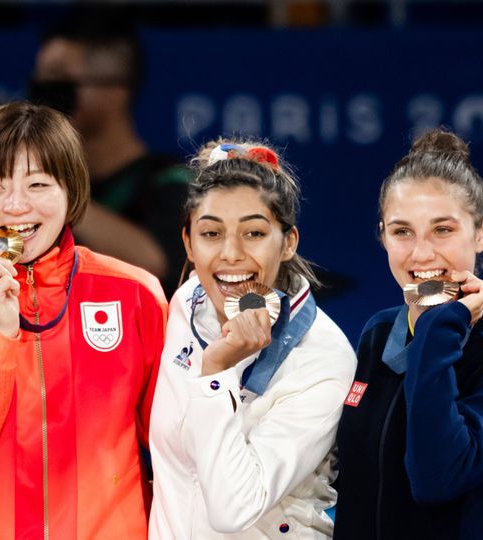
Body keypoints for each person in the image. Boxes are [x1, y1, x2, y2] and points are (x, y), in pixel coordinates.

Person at [0, 101, 167, 539]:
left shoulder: (134, 294)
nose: (16, 206)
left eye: (38, 184)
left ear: (72, 191)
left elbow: (173, 452)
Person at [333, 128, 483, 540]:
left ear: (481, 232)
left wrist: (437, 329)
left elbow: (437, 478)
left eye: (443, 230)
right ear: (382, 235)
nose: (421, 253)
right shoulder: (379, 334)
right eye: (402, 232)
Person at [149, 140, 357, 538]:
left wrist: (216, 372)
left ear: (289, 242)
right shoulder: (187, 302)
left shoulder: (323, 357)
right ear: (189, 244)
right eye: (211, 233)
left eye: (254, 232)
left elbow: (233, 509)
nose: (231, 253)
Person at [30, 12, 190, 295]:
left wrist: (51, 197)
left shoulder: (171, 180)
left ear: (115, 90)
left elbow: (159, 262)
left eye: (59, 83)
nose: (42, 95)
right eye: (39, 82)